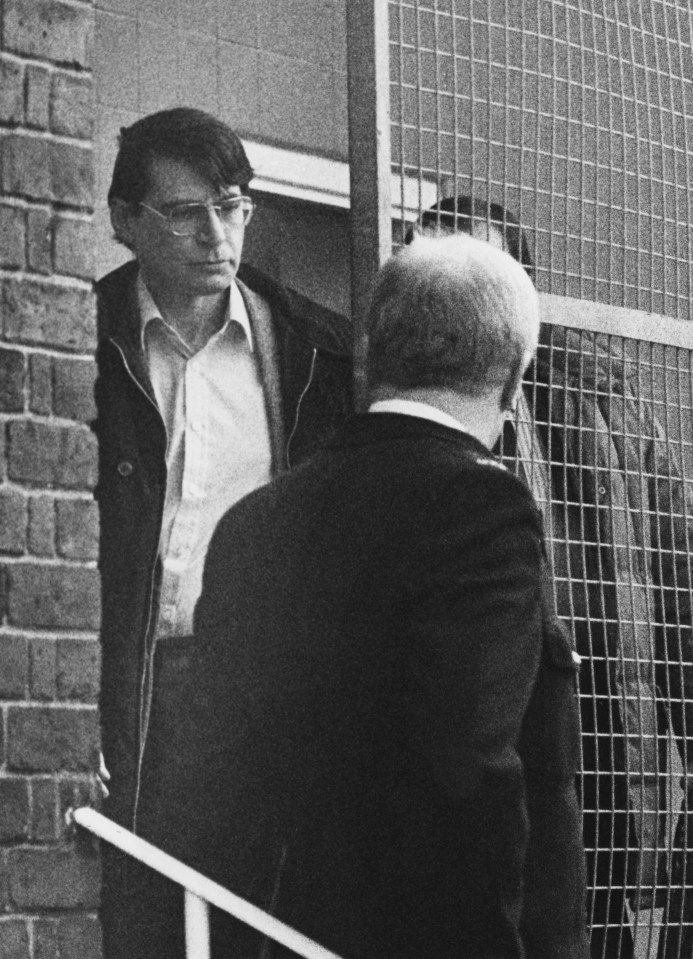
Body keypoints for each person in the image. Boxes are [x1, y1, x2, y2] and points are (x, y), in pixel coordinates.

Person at [168, 233, 590, 958]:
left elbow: (219, 773)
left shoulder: (255, 521)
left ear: (375, 355)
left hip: (281, 929)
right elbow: (469, 767)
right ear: (512, 383)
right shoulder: (482, 505)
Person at [92, 107, 353, 959]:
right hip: (133, 678)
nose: (217, 233)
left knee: (250, 922)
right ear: (125, 222)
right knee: (134, 917)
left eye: (233, 205)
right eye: (184, 212)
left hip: (258, 686)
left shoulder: (312, 352)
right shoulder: (82, 340)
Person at [411, 196, 693, 959]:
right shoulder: (393, 406)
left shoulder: (598, 392)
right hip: (475, 721)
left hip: (594, 705)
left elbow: (673, 562)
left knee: (590, 921)